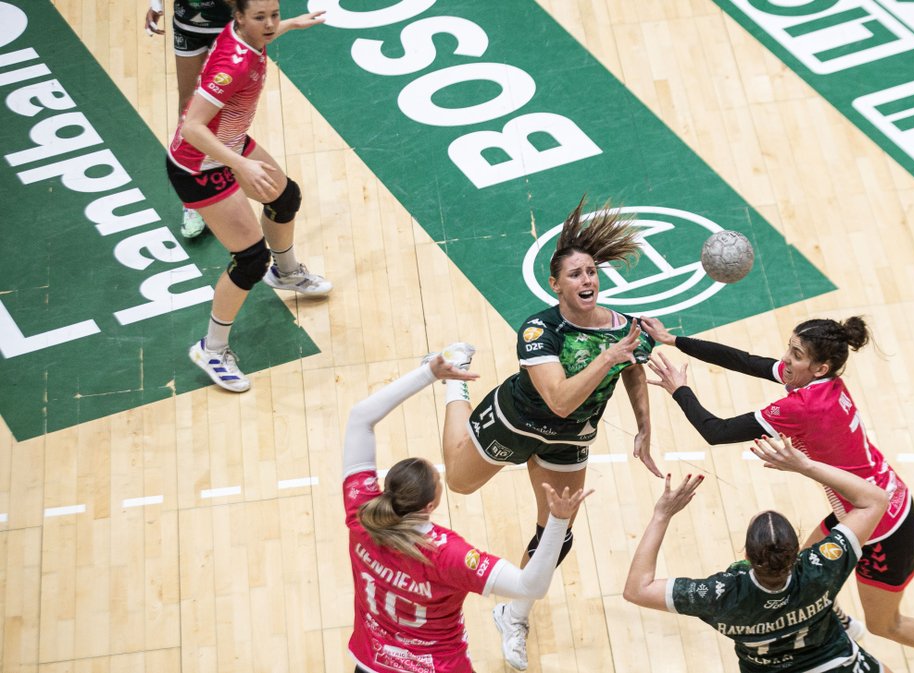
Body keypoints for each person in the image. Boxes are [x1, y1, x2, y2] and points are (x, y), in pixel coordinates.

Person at [639, 316, 914, 673]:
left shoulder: (802, 407)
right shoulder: (820, 383)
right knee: (793, 570)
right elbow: (748, 361)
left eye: (796, 355)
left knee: (887, 624)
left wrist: (678, 388)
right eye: (789, 348)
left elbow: (716, 432)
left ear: (820, 367)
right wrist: (676, 341)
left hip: (883, 528)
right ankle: (835, 618)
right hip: (863, 503)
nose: (785, 360)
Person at [432, 197, 660, 670]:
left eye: (592, 272)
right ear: (556, 285)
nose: (587, 280)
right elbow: (558, 399)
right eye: (576, 274)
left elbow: (634, 369)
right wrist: (607, 358)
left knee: (559, 533)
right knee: (458, 481)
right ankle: (456, 385)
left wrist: (644, 426)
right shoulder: (539, 330)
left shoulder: (622, 329)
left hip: (569, 439)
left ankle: (513, 614)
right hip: (519, 420)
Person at [343, 349, 594, 673]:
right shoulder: (447, 556)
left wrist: (428, 374)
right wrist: (558, 520)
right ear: (431, 505)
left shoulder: (361, 515)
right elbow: (531, 586)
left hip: (371, 662)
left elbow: (359, 418)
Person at [164, 0, 332, 393]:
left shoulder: (248, 34)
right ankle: (212, 348)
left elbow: (268, 26)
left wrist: (291, 24)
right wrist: (239, 166)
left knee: (285, 197)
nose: (270, 23)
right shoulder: (232, 65)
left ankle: (286, 273)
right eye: (262, 17)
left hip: (232, 144)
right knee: (250, 259)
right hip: (198, 166)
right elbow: (191, 127)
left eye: (274, 14)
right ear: (238, 17)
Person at [623, 435, 894, 673]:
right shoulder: (819, 567)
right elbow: (874, 500)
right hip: (835, 662)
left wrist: (662, 516)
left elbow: (637, 589)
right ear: (796, 553)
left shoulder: (721, 593)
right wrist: (806, 465)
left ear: (747, 557)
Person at [145, 0, 237, 238]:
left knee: (225, 108)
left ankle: (229, 182)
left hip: (228, 22)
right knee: (188, 107)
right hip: (187, 23)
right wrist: (156, 5)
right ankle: (192, 200)